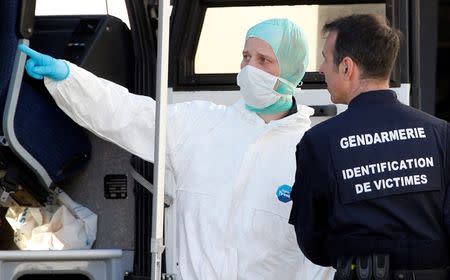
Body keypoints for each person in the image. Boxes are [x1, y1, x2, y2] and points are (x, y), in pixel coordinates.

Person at [19, 19, 334, 279]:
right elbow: (127, 113)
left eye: (264, 60)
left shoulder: (311, 153)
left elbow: (319, 261)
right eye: (246, 56)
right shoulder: (200, 124)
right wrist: (69, 78)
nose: (249, 68)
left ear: (292, 72)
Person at [289, 14, 450, 280]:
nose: (320, 68)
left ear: (346, 67)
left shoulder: (319, 141)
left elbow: (312, 241)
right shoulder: (440, 133)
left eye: (325, 58)